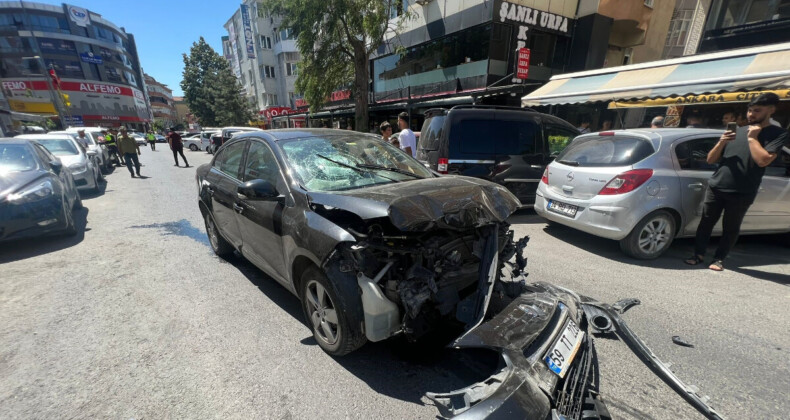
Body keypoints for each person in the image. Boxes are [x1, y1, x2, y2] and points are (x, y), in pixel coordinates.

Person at [684, 93, 789, 272]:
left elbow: (763, 160)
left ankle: (719, 259)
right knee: (706, 222)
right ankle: (698, 254)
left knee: (731, 227)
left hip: (743, 189)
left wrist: (752, 138)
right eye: (749, 110)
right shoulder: (737, 130)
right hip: (717, 185)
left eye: (757, 111)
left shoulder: (778, 134)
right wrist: (721, 143)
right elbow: (711, 160)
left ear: (771, 110)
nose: (751, 114)